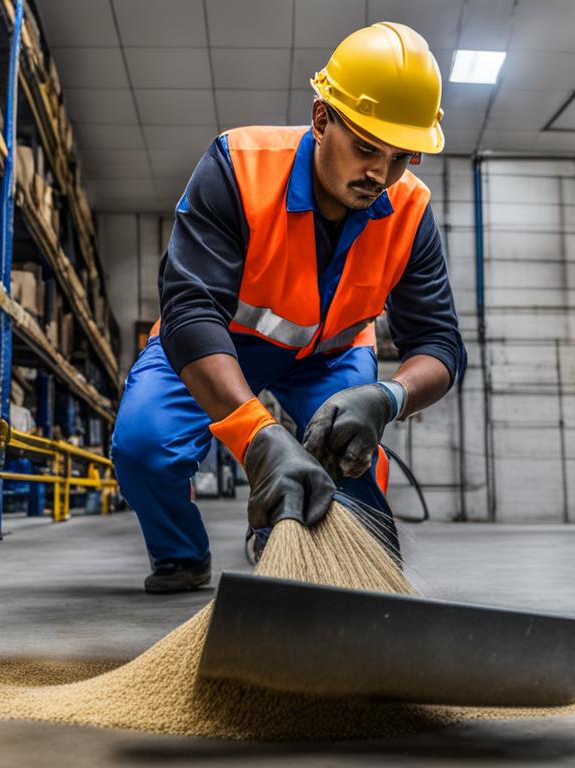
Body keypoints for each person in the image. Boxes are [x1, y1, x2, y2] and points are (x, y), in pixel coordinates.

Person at [111, 22, 466, 593]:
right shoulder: (239, 168)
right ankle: (181, 554)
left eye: (402, 157)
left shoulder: (410, 214)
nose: (381, 173)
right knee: (144, 445)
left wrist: (386, 397)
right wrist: (257, 436)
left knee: (351, 459)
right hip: (217, 346)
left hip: (329, 356)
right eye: (366, 148)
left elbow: (441, 345)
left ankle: (282, 535)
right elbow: (189, 309)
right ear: (321, 120)